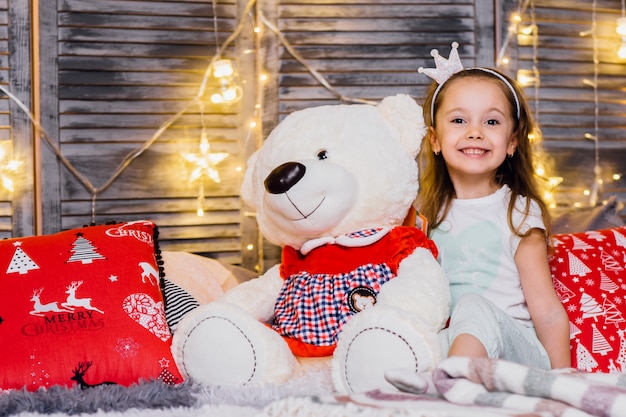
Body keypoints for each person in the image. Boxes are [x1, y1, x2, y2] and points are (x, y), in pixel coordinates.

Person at [388, 43, 571, 394]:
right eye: (459, 120)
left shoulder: (518, 211)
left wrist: (562, 382)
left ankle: (449, 384)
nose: (475, 131)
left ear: (512, 142)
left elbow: (546, 311)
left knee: (472, 307)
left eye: (491, 121)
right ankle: (434, 382)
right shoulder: (421, 217)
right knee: (416, 332)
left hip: (516, 355)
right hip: (452, 344)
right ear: (435, 140)